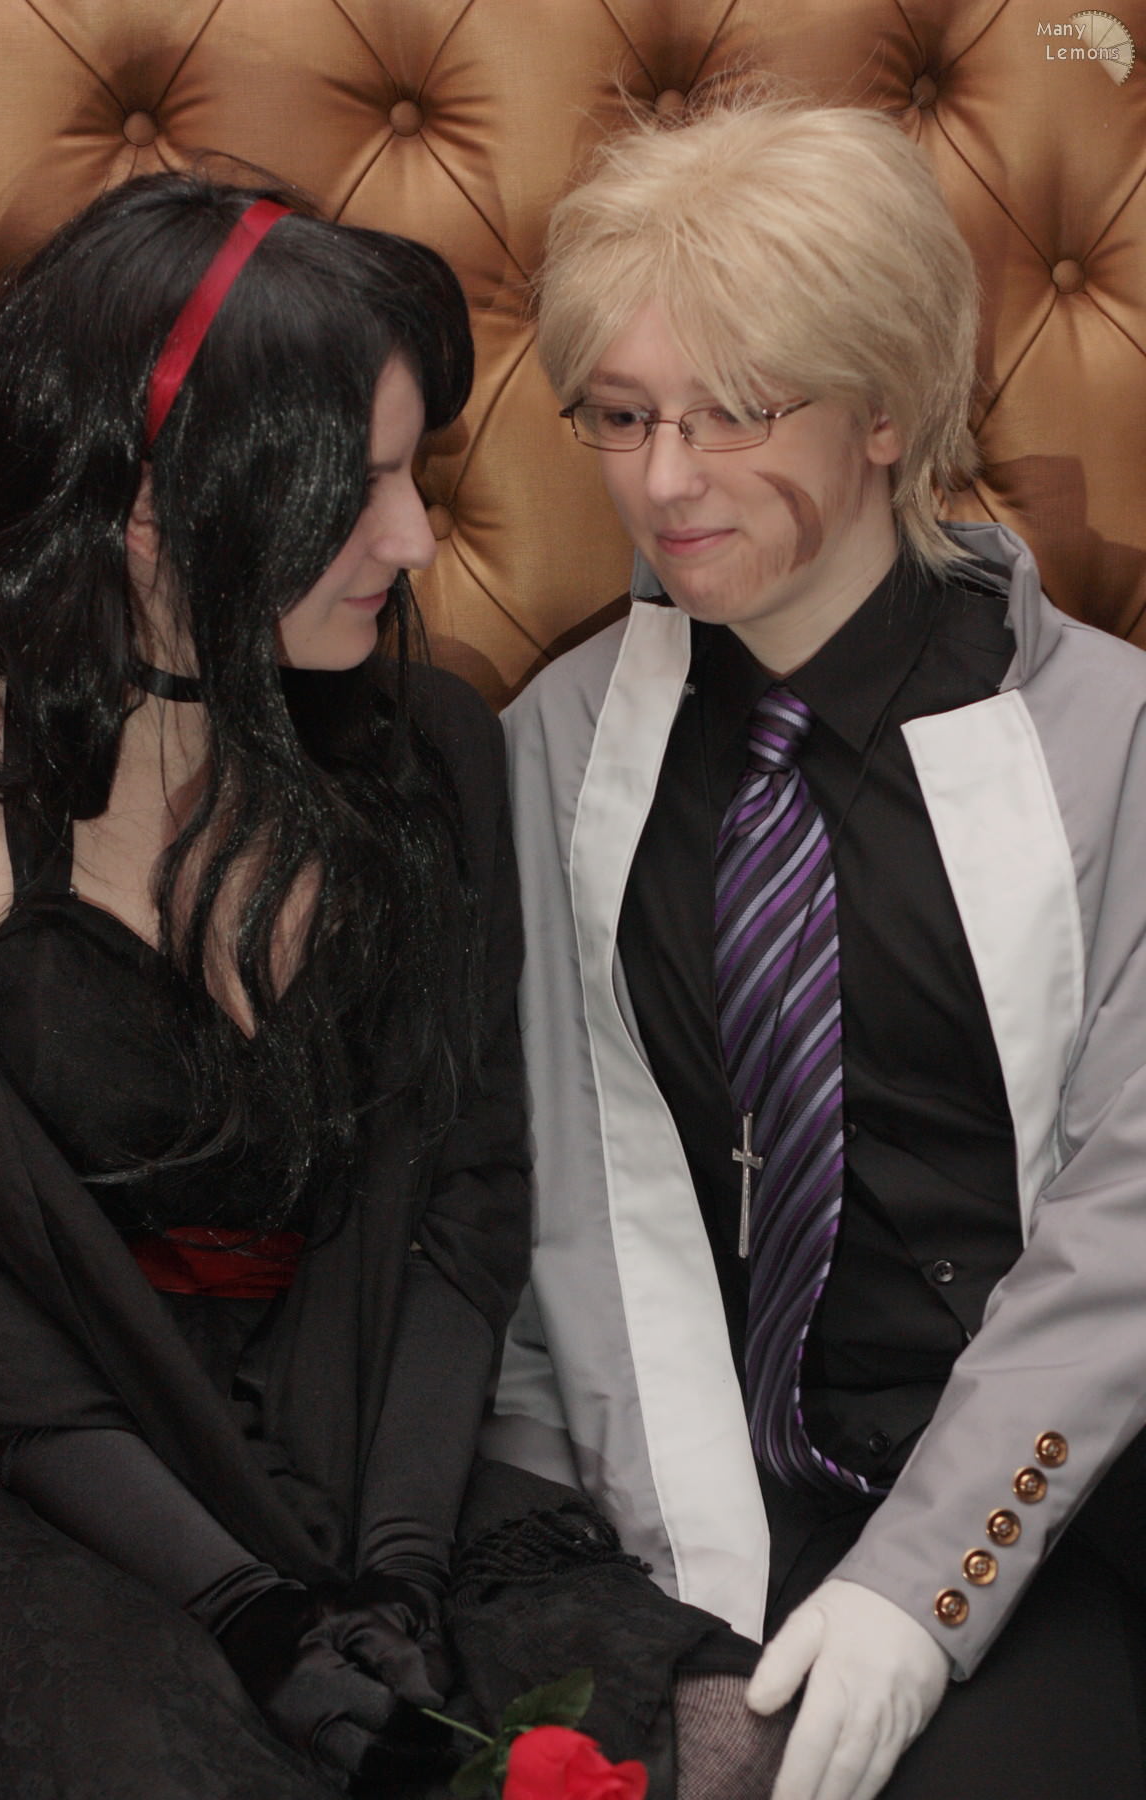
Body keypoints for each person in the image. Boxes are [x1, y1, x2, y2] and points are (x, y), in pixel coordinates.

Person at [488, 97, 1146, 1799]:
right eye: (623, 414)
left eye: (736, 410)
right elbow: (538, 1200)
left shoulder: (1118, 747)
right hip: (695, 1504)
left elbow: (1129, 1220)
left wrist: (932, 1585)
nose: (665, 479)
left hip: (1055, 1499)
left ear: (888, 409)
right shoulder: (557, 749)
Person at [0, 171, 532, 1798]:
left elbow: (464, 1201)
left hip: (375, 1451)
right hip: (48, 1487)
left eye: (416, 476)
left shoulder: (433, 758)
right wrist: (244, 1609)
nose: (415, 541)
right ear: (149, 503)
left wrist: (399, 1575)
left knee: (674, 1728)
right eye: (360, 489)